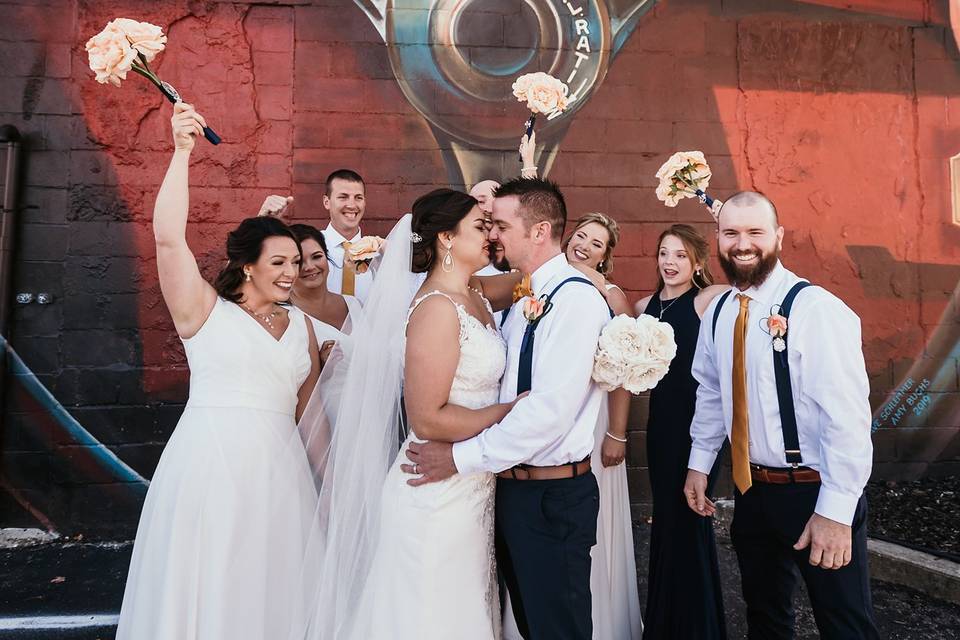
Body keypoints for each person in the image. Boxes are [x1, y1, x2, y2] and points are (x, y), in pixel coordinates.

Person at [117, 103, 321, 639]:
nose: (290, 272)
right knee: (212, 576)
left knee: (271, 586)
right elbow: (167, 240)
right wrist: (181, 153)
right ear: (247, 266)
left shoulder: (304, 326)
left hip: (282, 475)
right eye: (278, 262)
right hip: (211, 465)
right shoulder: (203, 312)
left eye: (295, 263)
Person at [293, 190, 522, 640]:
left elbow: (530, 279)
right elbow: (427, 419)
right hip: (432, 493)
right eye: (480, 226)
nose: (490, 234)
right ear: (446, 239)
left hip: (472, 486)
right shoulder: (436, 309)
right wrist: (509, 412)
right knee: (429, 615)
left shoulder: (473, 290)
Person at [405, 178, 611, 640]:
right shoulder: (522, 298)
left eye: (499, 224)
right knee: (524, 623)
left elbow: (549, 412)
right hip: (507, 490)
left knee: (558, 627)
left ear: (538, 232)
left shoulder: (575, 300)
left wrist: (459, 457)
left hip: (551, 497)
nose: (493, 234)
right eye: (486, 225)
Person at [684, 191, 878, 640]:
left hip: (813, 491)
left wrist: (835, 513)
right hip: (752, 491)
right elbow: (712, 391)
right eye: (731, 233)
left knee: (844, 623)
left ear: (779, 237)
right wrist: (700, 463)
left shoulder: (817, 310)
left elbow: (846, 419)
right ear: (718, 238)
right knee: (765, 618)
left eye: (755, 232)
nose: (742, 243)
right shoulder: (718, 311)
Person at [634, 224, 727, 640]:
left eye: (680, 256)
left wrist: (723, 217)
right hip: (661, 427)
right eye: (664, 254)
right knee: (667, 522)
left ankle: (699, 628)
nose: (670, 263)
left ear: (698, 263)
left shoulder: (708, 300)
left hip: (698, 428)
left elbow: (756, 287)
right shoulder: (642, 307)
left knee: (690, 523)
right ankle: (665, 623)